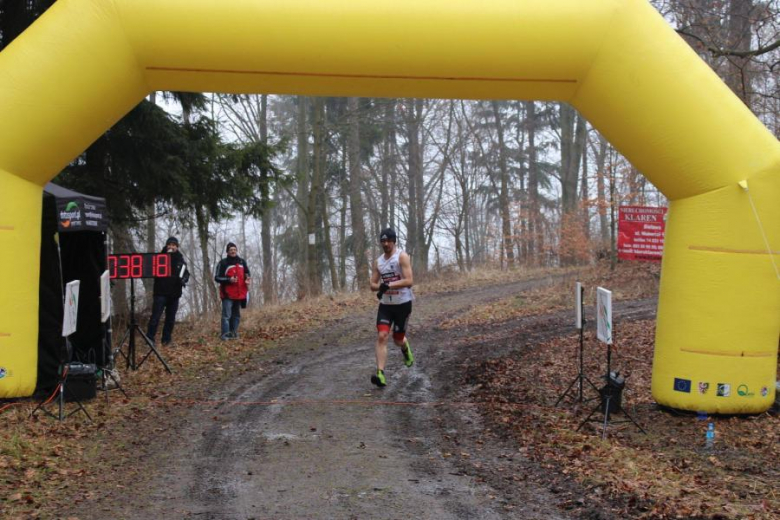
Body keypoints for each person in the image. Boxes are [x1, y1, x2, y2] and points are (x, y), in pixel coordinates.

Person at [369, 227, 414, 387]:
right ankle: (380, 374)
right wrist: (379, 286)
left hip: (403, 304)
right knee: (382, 336)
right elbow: (372, 284)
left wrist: (389, 285)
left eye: (388, 241)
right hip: (386, 306)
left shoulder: (401, 257)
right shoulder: (379, 261)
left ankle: (405, 347)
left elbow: (409, 281)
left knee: (398, 339)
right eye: (383, 241)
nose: (385, 244)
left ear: (394, 241)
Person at [146, 236, 190, 346]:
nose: (171, 247)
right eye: (169, 244)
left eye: (174, 245)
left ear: (177, 247)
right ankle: (149, 340)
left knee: (170, 319)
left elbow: (186, 274)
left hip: (174, 294)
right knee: (155, 317)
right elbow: (150, 270)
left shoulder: (181, 260)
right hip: (160, 293)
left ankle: (166, 340)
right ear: (166, 246)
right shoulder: (159, 258)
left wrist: (184, 280)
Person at [215, 242, 251, 340]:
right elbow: (217, 278)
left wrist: (247, 278)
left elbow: (247, 273)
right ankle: (225, 334)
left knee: (236, 315)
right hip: (227, 294)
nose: (233, 251)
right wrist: (228, 279)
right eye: (231, 250)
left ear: (236, 250)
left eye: (234, 250)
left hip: (240, 294)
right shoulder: (223, 263)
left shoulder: (242, 262)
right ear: (227, 252)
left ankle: (234, 333)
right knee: (226, 315)